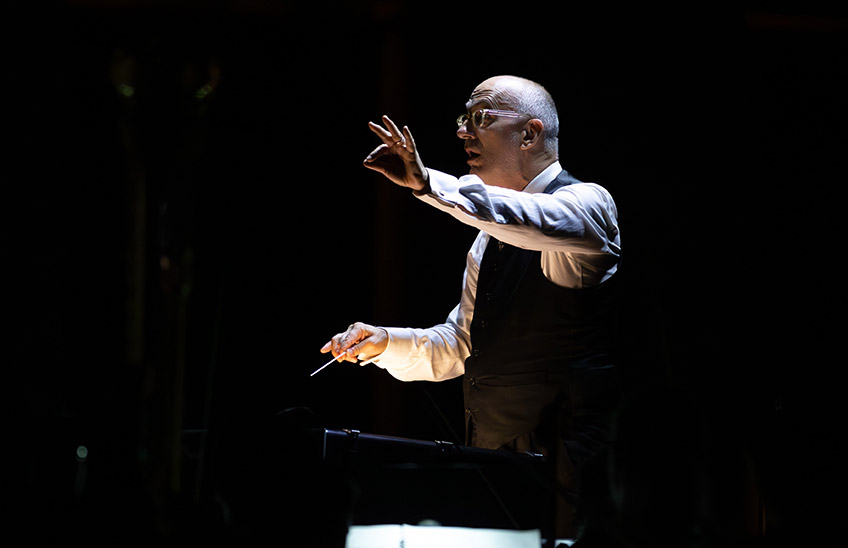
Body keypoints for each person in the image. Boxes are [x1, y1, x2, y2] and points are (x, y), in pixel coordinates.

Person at [321, 75, 622, 537]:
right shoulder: (488, 240)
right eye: (463, 118)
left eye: (480, 118)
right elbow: (464, 345)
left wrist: (429, 183)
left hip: (569, 473)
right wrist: (385, 343)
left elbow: (530, 216)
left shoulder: (587, 205)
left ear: (529, 134)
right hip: (496, 467)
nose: (463, 132)